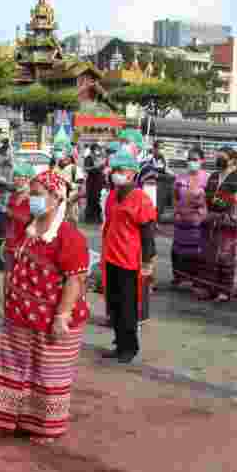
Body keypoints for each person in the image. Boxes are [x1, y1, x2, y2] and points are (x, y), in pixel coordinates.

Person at [0, 169, 90, 444]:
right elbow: (15, 265)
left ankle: (46, 428)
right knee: (20, 369)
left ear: (57, 198)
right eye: (32, 194)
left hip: (51, 319)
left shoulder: (69, 236)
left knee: (47, 373)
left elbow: (75, 278)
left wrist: (62, 316)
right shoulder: (30, 229)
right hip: (21, 316)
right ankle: (20, 419)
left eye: (38, 195)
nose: (32, 199)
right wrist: (8, 296)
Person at [101, 152, 157, 362]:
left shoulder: (141, 199)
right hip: (111, 257)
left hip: (130, 260)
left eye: (121, 171)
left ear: (132, 173)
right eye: (114, 170)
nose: (116, 174)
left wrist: (147, 261)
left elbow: (148, 232)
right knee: (114, 305)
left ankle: (129, 348)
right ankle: (118, 343)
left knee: (128, 306)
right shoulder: (113, 196)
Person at [199, 144, 237, 302]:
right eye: (217, 157)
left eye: (223, 158)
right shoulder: (214, 175)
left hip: (228, 220)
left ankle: (224, 290)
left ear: (233, 160)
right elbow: (208, 196)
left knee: (226, 256)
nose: (218, 160)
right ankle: (209, 287)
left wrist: (222, 201)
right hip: (211, 219)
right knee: (209, 255)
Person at [171, 148, 210, 289]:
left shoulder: (207, 178)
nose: (191, 162)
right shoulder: (180, 177)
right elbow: (175, 196)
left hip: (198, 222)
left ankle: (196, 279)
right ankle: (179, 277)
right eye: (189, 159)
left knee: (196, 251)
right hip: (181, 221)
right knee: (178, 250)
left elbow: (210, 199)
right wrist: (176, 212)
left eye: (195, 159)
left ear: (202, 161)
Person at [4, 162, 35, 277]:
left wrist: (13, 214)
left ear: (27, 178)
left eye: (18, 176)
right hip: (10, 241)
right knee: (8, 275)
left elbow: (35, 222)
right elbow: (8, 220)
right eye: (15, 176)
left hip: (24, 244)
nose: (15, 179)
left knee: (21, 276)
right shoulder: (13, 196)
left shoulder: (34, 198)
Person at [83, 144, 106, 224]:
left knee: (98, 199)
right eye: (96, 149)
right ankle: (89, 218)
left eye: (98, 149)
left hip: (99, 181)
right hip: (91, 181)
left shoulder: (100, 158)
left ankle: (98, 218)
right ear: (92, 150)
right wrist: (95, 167)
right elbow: (86, 168)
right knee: (91, 199)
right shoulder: (88, 158)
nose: (97, 151)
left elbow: (103, 169)